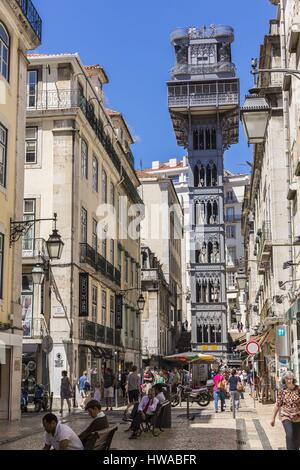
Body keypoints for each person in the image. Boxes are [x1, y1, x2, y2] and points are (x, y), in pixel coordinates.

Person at [271, 371, 300, 450]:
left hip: (297, 416)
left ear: (293, 379)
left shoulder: (298, 389)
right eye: (287, 378)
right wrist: (273, 418)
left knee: (297, 438)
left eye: (290, 378)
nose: (289, 380)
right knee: (289, 434)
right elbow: (278, 404)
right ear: (284, 379)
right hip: (286, 415)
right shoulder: (282, 390)